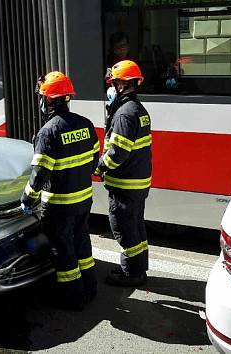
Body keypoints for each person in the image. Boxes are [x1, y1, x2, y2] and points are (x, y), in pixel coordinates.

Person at [21, 71, 100, 311]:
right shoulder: (85, 125)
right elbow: (94, 160)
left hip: (59, 205)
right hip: (84, 199)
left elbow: (39, 174)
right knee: (82, 244)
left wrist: (27, 199)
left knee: (63, 251)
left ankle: (73, 298)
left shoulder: (48, 132)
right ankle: (90, 288)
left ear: (49, 100)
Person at [95, 60, 152, 287]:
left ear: (121, 85)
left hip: (125, 184)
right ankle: (139, 269)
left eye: (114, 82)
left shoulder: (124, 114)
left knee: (125, 230)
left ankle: (131, 274)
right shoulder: (139, 110)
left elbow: (117, 152)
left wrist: (99, 167)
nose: (111, 87)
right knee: (137, 227)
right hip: (138, 182)